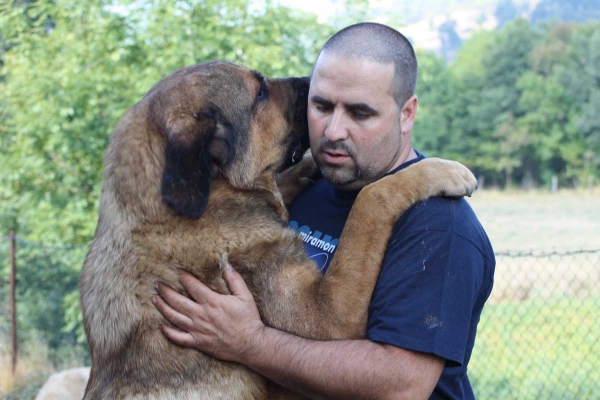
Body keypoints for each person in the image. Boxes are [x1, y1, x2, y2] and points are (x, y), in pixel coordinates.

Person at [153, 22, 495, 399]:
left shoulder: (437, 225)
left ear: (407, 113)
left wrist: (251, 343)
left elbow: (401, 386)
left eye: (360, 113)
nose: (333, 131)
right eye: (322, 105)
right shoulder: (308, 180)